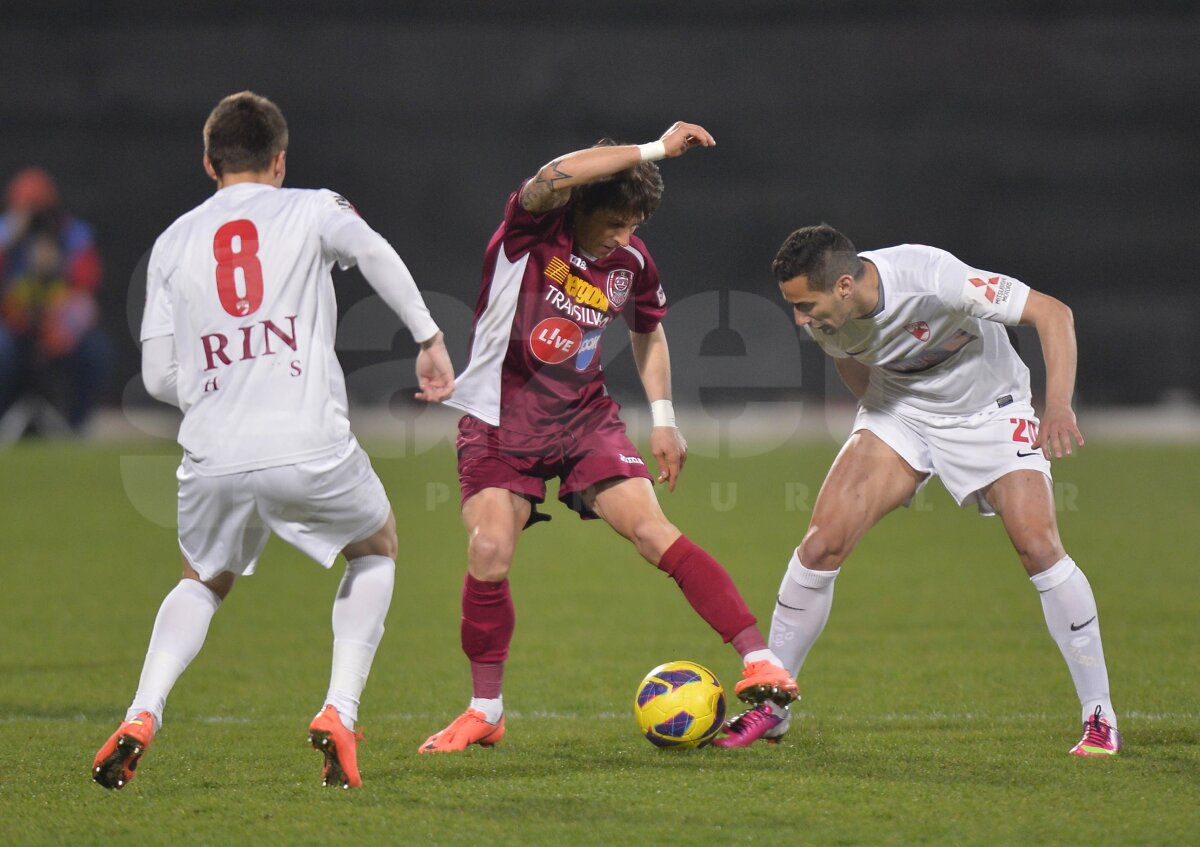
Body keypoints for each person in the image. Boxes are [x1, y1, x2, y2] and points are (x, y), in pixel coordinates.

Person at [90, 91, 455, 790]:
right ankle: (339, 711)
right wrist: (428, 337)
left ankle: (142, 712)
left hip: (214, 451)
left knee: (203, 578)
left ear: (209, 163)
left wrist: (221, 388)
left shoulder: (173, 242)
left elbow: (158, 375)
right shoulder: (314, 208)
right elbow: (373, 252)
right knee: (376, 547)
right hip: (309, 443)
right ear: (280, 161)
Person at [418, 122, 797, 754]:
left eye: (634, 226)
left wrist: (665, 416)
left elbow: (648, 331)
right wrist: (654, 150)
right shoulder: (531, 228)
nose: (626, 237)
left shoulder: (631, 262)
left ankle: (759, 660)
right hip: (497, 419)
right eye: (616, 222)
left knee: (653, 532)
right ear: (582, 207)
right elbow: (554, 173)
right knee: (489, 551)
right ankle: (485, 709)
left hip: (583, 417)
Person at [716, 224, 1120, 757]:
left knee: (1039, 548)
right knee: (820, 546)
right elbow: (849, 356)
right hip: (902, 411)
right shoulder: (826, 320)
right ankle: (773, 707)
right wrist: (879, 428)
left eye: (804, 304)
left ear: (842, 285)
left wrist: (1059, 406)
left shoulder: (934, 278)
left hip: (990, 411)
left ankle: (1099, 715)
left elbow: (1054, 313)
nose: (799, 317)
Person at [0, 166, 112, 434]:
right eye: (27, 209)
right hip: (13, 327)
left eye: (39, 208)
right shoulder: (5, 235)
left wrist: (59, 266)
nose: (34, 217)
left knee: (95, 351)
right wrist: (12, 240)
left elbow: (88, 289)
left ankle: (77, 426)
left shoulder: (73, 237)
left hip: (58, 327)